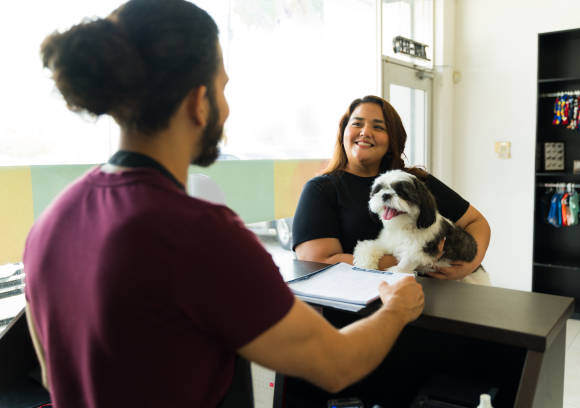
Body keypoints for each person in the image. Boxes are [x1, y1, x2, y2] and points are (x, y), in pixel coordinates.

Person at [23, 1, 425, 407]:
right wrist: (396, 307)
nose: (227, 107)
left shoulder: (53, 219)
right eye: (223, 88)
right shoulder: (199, 234)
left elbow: (51, 373)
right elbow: (336, 364)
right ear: (199, 100)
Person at [293, 95, 491, 282]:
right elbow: (317, 262)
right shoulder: (321, 190)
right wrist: (419, 259)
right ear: (343, 132)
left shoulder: (415, 182)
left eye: (378, 127)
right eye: (357, 124)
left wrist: (469, 264)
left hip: (431, 299)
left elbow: (476, 222)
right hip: (353, 309)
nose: (365, 132)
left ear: (392, 139)